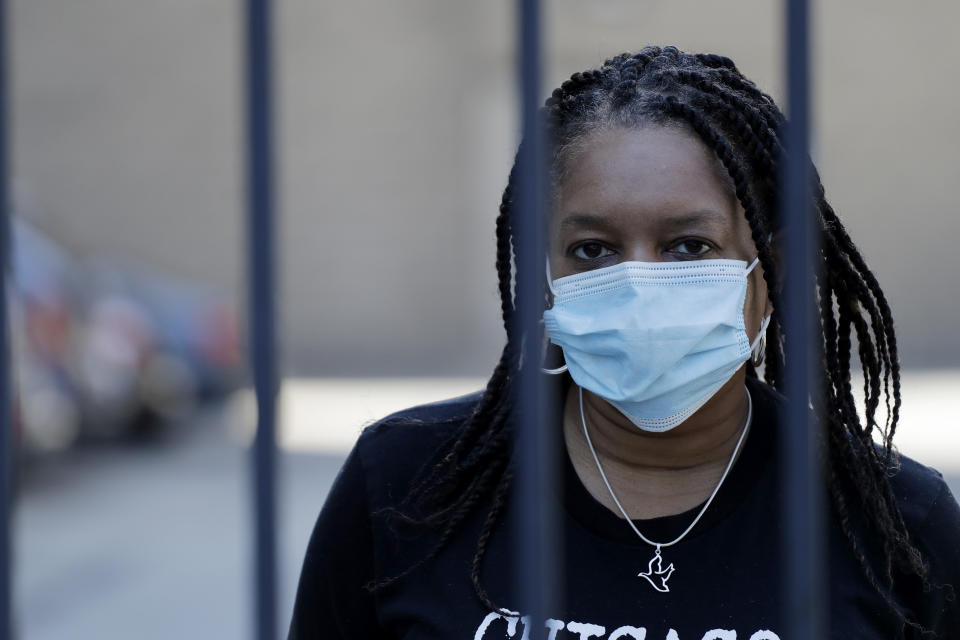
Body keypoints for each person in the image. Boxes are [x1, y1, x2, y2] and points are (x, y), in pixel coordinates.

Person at [288, 46, 960, 639]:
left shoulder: (897, 523)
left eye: (689, 246)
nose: (638, 283)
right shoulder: (408, 482)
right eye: (593, 249)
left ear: (772, 272)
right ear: (546, 271)